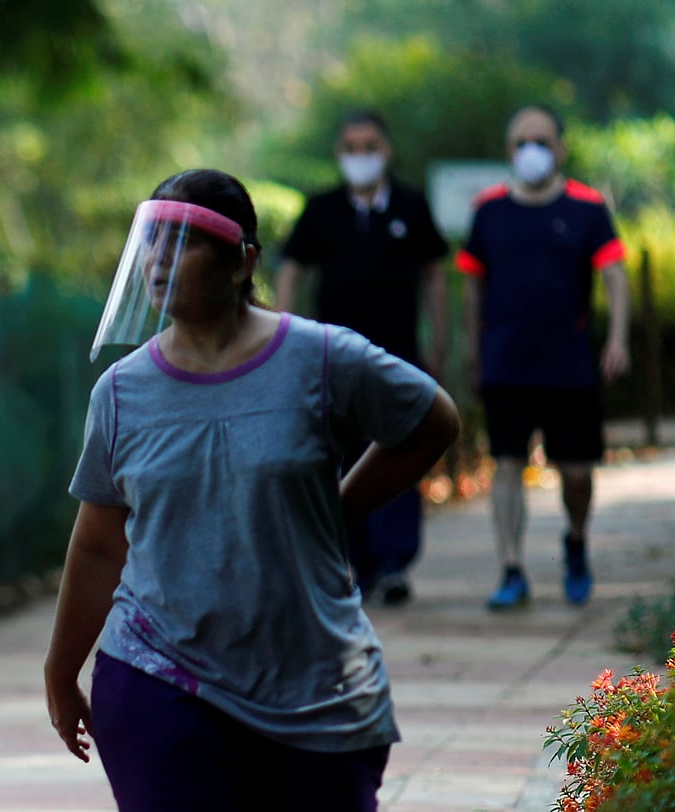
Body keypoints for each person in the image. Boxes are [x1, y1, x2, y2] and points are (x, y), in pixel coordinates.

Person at [45, 169, 460, 810]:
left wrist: (338, 509)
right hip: (158, 676)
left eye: (184, 242)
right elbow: (100, 545)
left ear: (244, 261)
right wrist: (60, 669)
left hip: (316, 685)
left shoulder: (321, 358)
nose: (160, 260)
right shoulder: (121, 393)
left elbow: (431, 422)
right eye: (152, 241)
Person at [457, 104, 629, 611]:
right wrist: (473, 350)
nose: (530, 151)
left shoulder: (587, 207)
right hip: (506, 361)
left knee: (577, 472)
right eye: (520, 142)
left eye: (541, 141)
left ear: (560, 147)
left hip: (569, 363)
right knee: (506, 465)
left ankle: (576, 541)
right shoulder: (489, 209)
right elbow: (472, 285)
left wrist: (616, 339)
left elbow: (615, 275)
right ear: (509, 150)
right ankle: (511, 569)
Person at [276, 109, 451, 606]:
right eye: (351, 147)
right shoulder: (322, 209)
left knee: (399, 450)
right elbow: (291, 269)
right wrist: (284, 337)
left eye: (369, 145)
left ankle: (395, 563)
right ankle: (355, 563)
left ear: (386, 149)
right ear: (339, 153)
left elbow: (435, 275)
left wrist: (438, 339)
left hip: (400, 356)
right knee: (340, 458)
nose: (361, 156)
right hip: (330, 361)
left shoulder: (413, 207)